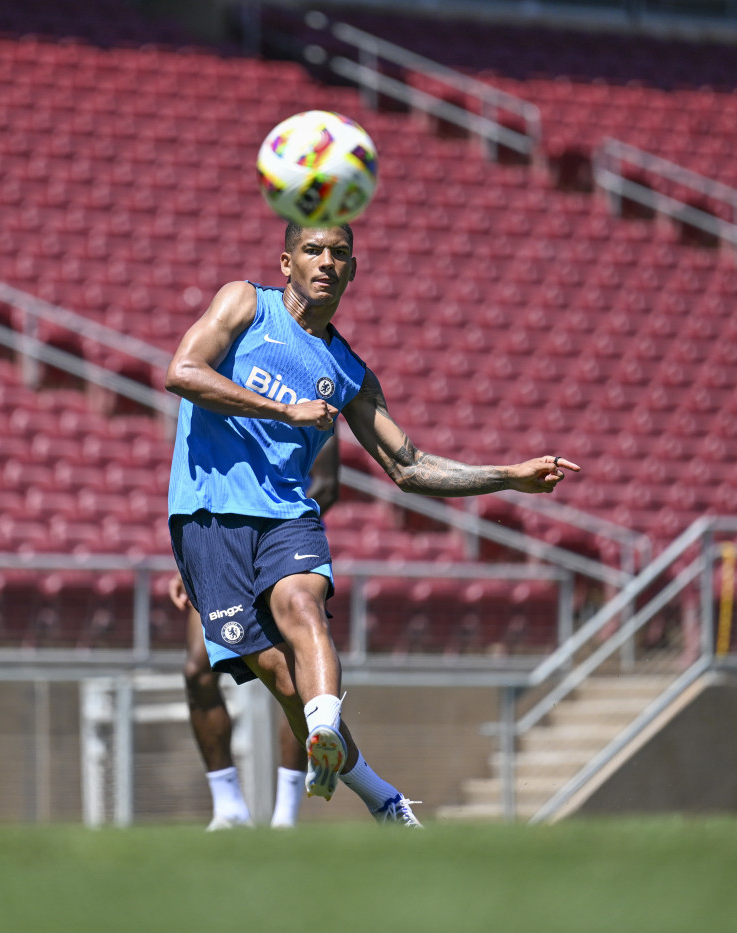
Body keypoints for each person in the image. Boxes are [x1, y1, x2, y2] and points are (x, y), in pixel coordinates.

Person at [164, 220, 581, 827]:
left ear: (354, 270)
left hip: (287, 512)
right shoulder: (245, 303)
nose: (326, 262)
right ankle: (380, 795)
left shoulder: (349, 371)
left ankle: (323, 732)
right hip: (211, 516)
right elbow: (183, 372)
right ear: (286, 263)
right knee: (282, 678)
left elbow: (408, 466)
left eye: (340, 253)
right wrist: (284, 409)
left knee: (302, 608)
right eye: (312, 251)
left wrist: (508, 476)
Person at [169, 438, 341, 830]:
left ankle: (287, 813)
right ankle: (228, 807)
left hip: (281, 551)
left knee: (295, 676)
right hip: (223, 549)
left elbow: (327, 484)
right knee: (197, 668)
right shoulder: (230, 405)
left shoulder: (313, 403)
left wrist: (271, 527)